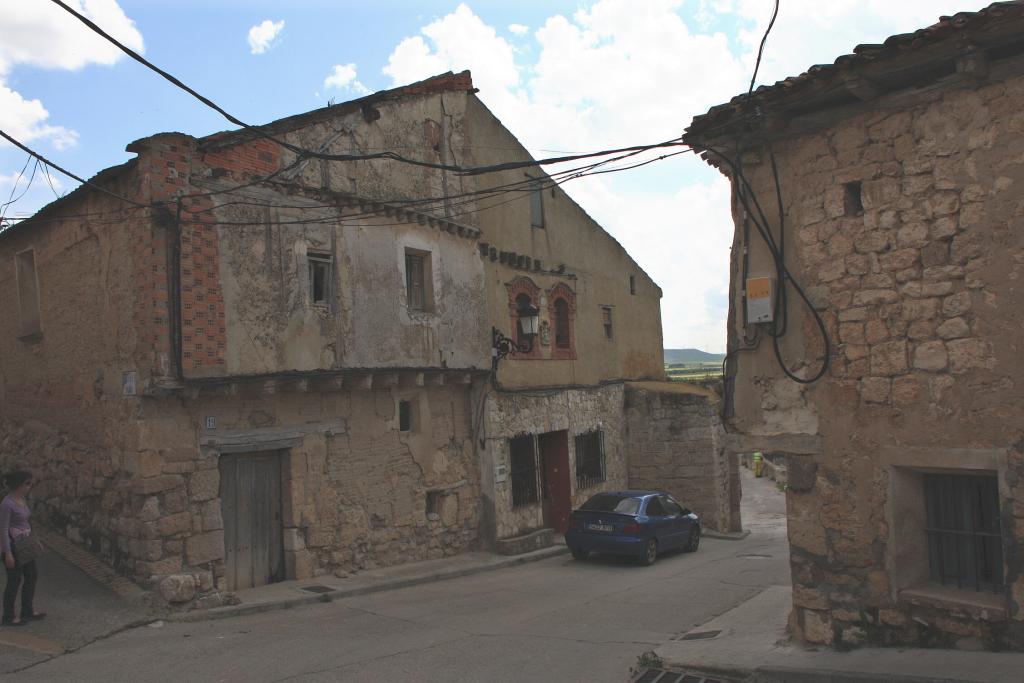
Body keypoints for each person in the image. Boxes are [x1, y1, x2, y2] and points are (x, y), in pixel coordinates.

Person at [1, 469, 45, 627]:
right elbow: (3, 529)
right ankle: (8, 616)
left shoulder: (22, 499)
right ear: (18, 485)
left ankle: (27, 610)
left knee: (32, 575)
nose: (30, 486)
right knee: (14, 580)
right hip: (13, 546)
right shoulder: (7, 504)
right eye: (27, 483)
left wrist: (36, 540)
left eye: (31, 483)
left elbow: (27, 522)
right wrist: (7, 554)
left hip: (25, 545)